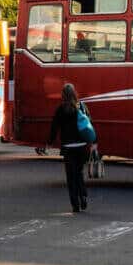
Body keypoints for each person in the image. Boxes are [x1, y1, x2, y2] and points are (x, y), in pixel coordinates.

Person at [45, 83, 96, 213]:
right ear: (75, 94)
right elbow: (89, 125)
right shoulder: (82, 107)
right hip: (82, 147)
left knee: (70, 176)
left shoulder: (61, 109)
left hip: (68, 147)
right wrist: (94, 142)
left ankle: (75, 204)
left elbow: (54, 127)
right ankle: (83, 196)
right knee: (79, 173)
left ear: (63, 95)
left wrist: (49, 142)